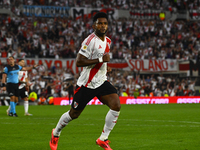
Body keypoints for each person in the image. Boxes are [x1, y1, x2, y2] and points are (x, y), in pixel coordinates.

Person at [49, 12, 121, 150]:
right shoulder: (89, 41)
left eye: (105, 23)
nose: (102, 25)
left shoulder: (108, 41)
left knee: (116, 105)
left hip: (101, 81)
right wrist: (101, 60)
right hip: (86, 84)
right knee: (73, 114)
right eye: (99, 23)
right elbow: (79, 61)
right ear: (94, 25)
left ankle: (103, 139)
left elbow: (102, 60)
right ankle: (56, 132)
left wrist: (106, 67)